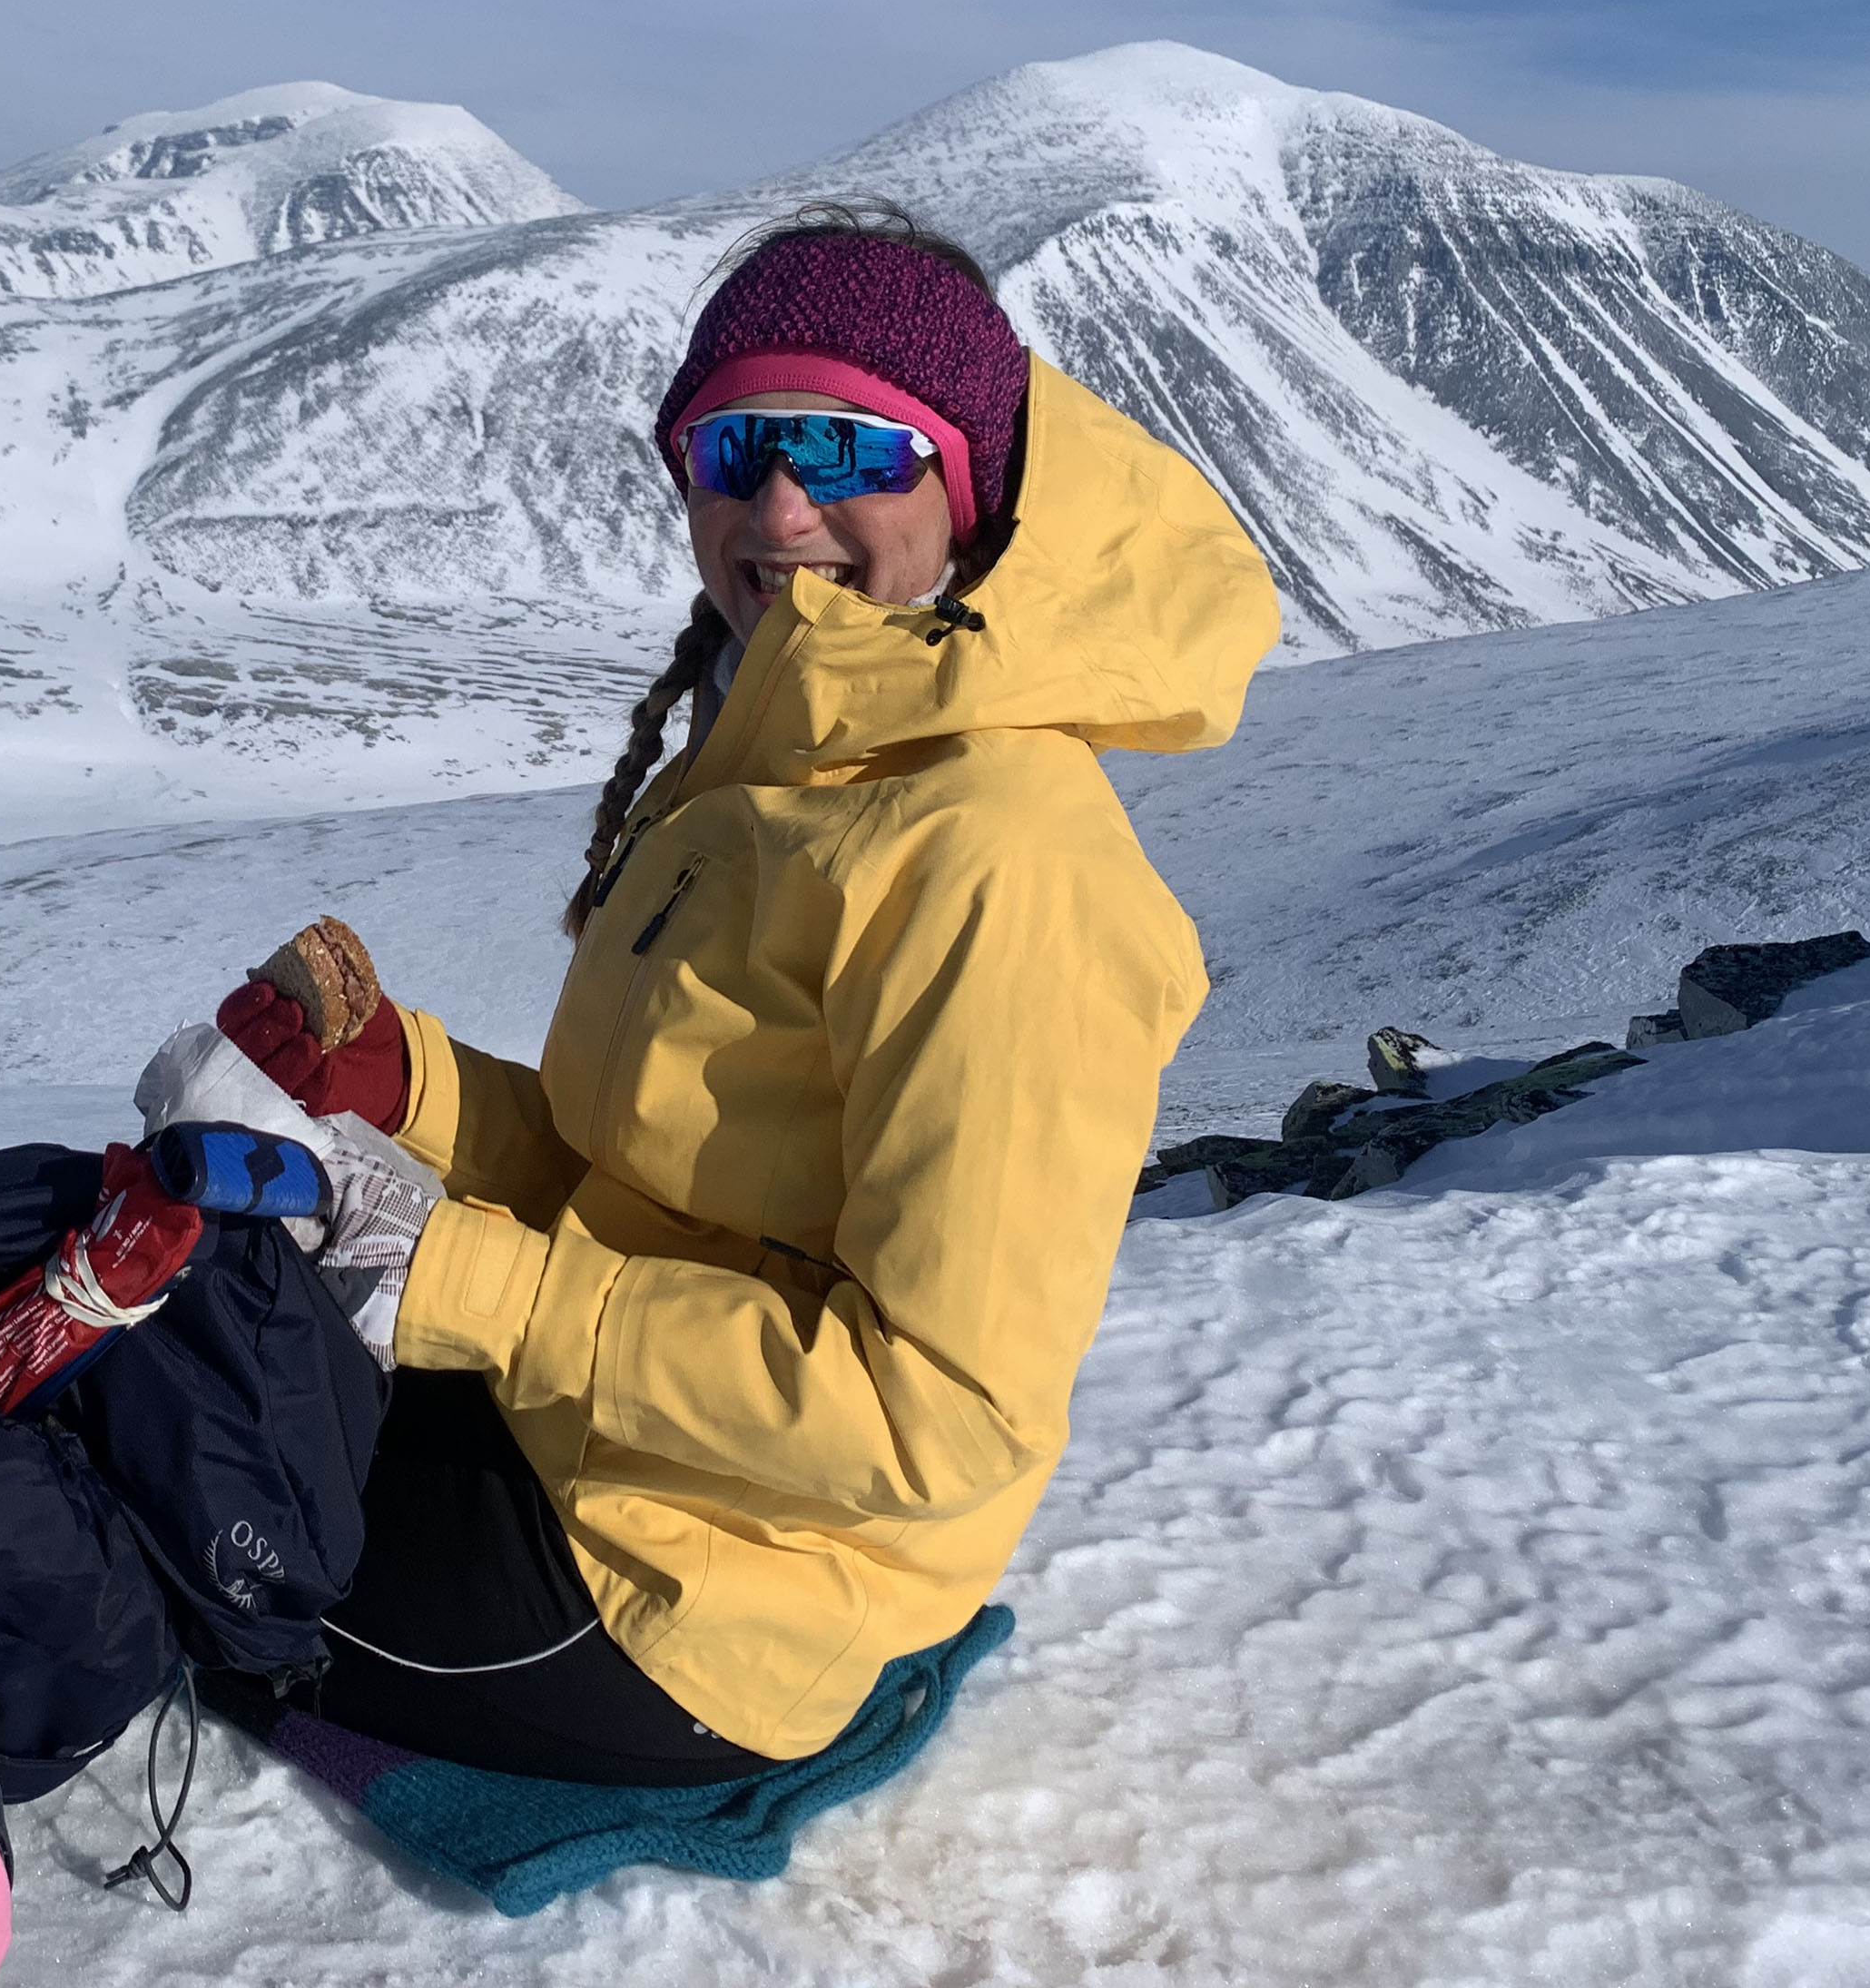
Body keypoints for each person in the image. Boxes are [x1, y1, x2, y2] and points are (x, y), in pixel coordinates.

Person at [217, 199, 1280, 1783]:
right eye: (737, 451)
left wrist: (465, 1288)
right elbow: (645, 1181)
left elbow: (937, 1418)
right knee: (142, 1301)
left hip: (696, 1613)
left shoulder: (1000, 862)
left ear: (967, 480)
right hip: (602, 1468)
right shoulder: (776, 754)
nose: (781, 509)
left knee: (117, 1465)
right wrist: (406, 1090)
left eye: (852, 449)